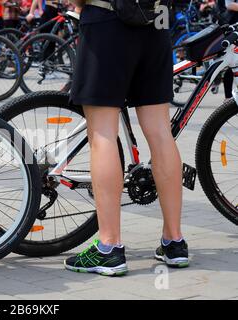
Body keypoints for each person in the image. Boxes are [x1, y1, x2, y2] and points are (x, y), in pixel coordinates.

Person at [64, 0, 189, 276]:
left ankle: (109, 247)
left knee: (103, 132)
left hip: (108, 22)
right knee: (160, 132)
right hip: (156, 23)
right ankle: (174, 241)